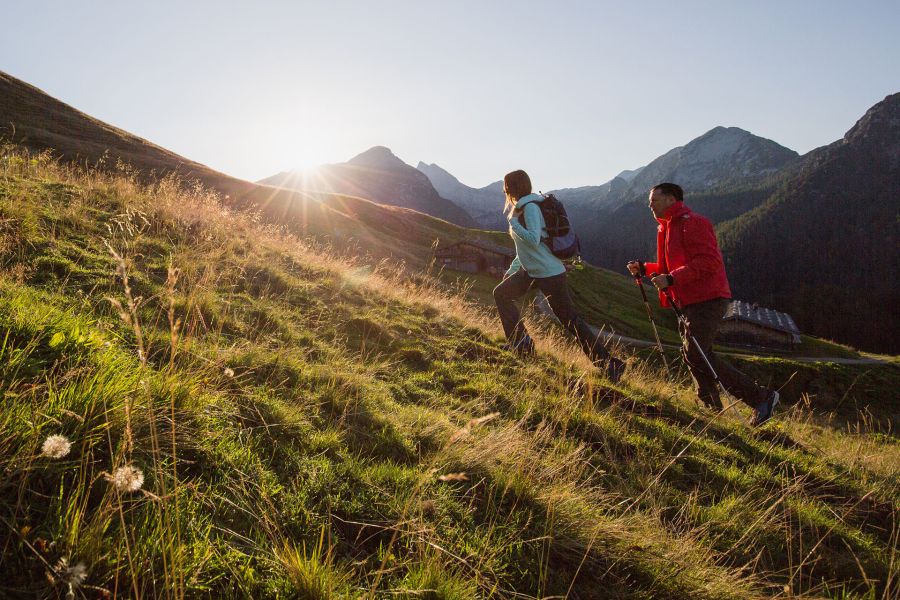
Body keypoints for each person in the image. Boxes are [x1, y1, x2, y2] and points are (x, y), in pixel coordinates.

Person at [627, 182, 779, 426]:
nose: (650, 205)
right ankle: (712, 407)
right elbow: (669, 269)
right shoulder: (665, 228)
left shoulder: (692, 222)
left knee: (697, 353)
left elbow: (709, 262)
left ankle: (761, 397)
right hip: (688, 299)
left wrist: (673, 279)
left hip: (707, 298)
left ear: (671, 199)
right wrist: (646, 269)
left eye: (654, 200)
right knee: (693, 354)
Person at [493, 169, 625, 382]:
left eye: (506, 186)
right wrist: (512, 268)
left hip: (549, 273)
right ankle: (521, 344)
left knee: (569, 320)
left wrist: (514, 224)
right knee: (501, 294)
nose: (505, 189)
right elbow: (524, 248)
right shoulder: (520, 208)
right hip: (533, 271)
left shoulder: (530, 209)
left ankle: (610, 365)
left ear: (512, 187)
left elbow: (534, 239)